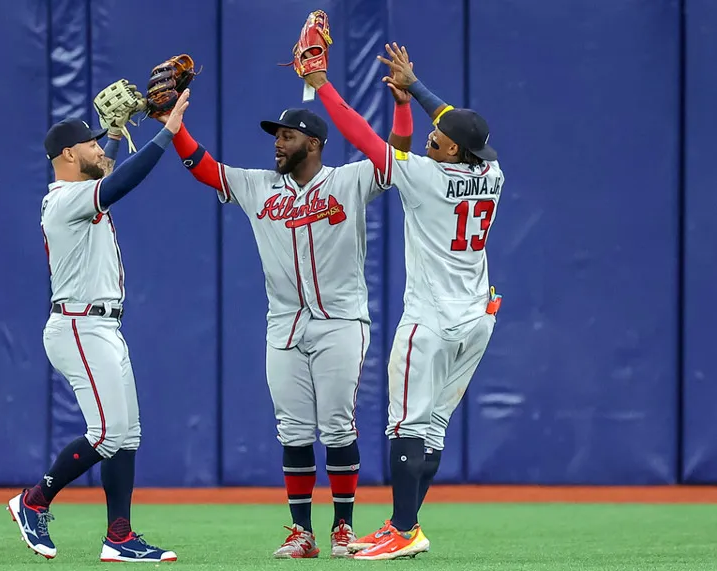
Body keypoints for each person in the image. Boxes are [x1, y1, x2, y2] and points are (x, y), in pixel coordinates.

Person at [162, 89, 413, 557]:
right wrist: (175, 129)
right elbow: (204, 167)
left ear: (314, 142)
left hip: (340, 322)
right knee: (293, 430)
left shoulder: (349, 180)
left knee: (337, 426)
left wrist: (402, 105)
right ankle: (302, 533)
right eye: (275, 136)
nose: (277, 144)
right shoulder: (260, 186)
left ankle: (342, 528)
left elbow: (395, 153)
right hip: (284, 327)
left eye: (287, 136)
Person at [303, 42, 504, 560]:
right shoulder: (493, 173)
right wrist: (413, 89)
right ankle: (405, 524)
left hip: (431, 320)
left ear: (452, 150)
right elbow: (453, 123)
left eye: (438, 135)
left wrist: (321, 83)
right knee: (432, 426)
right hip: (478, 318)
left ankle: (404, 529)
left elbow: (362, 137)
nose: (431, 132)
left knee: (405, 425)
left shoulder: (426, 176)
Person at [6, 87, 191, 563]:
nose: (98, 148)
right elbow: (118, 183)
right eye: (89, 143)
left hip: (101, 327)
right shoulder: (66, 200)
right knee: (107, 433)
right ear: (68, 154)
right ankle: (34, 500)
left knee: (126, 437)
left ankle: (120, 537)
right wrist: (167, 133)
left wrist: (109, 136)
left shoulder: (76, 193)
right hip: (78, 325)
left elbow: (102, 173)